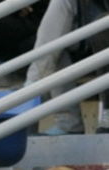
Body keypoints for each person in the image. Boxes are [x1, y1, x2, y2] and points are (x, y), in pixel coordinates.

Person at [24, 0, 109, 135]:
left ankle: (30, 91)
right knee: (58, 47)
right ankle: (69, 125)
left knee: (102, 27)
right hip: (86, 31)